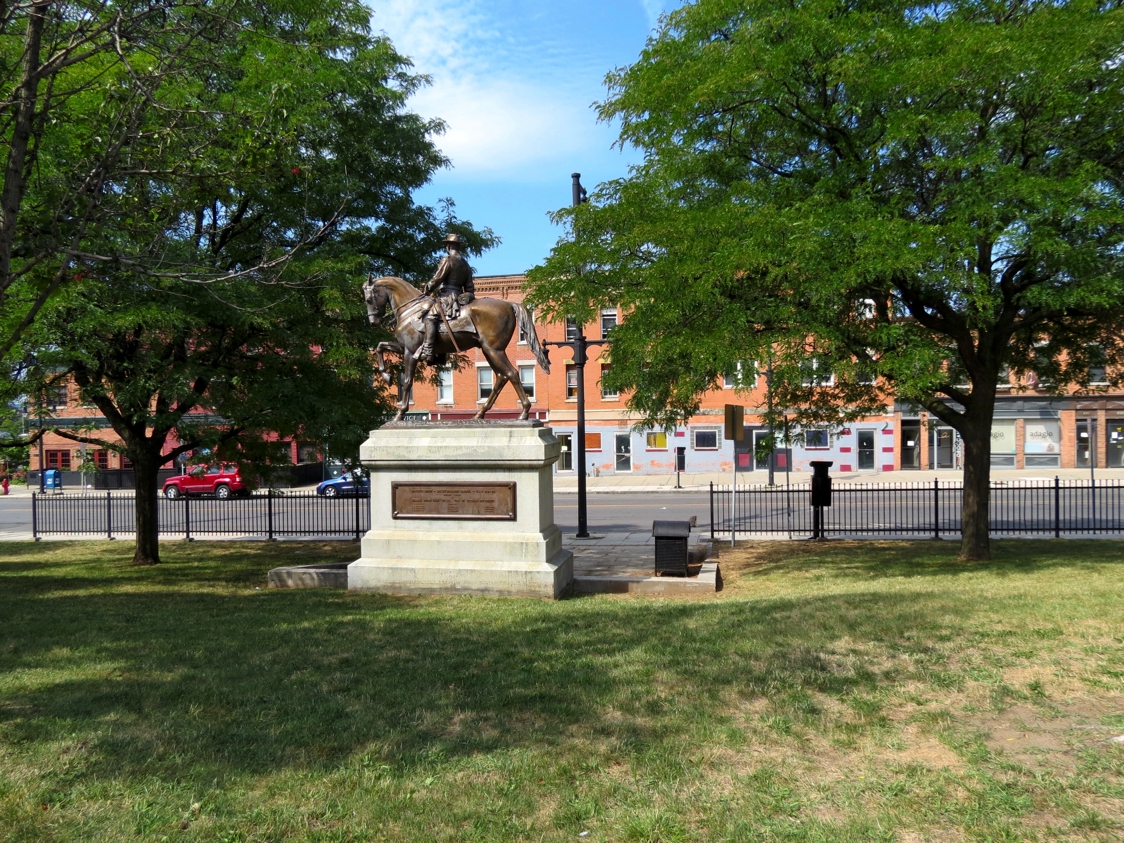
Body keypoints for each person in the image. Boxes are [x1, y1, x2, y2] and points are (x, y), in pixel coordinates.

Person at [417, 233, 475, 363]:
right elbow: (470, 288)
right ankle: (441, 353)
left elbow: (437, 279)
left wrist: (427, 289)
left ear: (448, 246)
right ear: (458, 247)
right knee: (442, 321)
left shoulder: (447, 260)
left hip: (447, 297)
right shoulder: (466, 265)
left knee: (430, 317)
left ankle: (428, 351)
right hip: (458, 296)